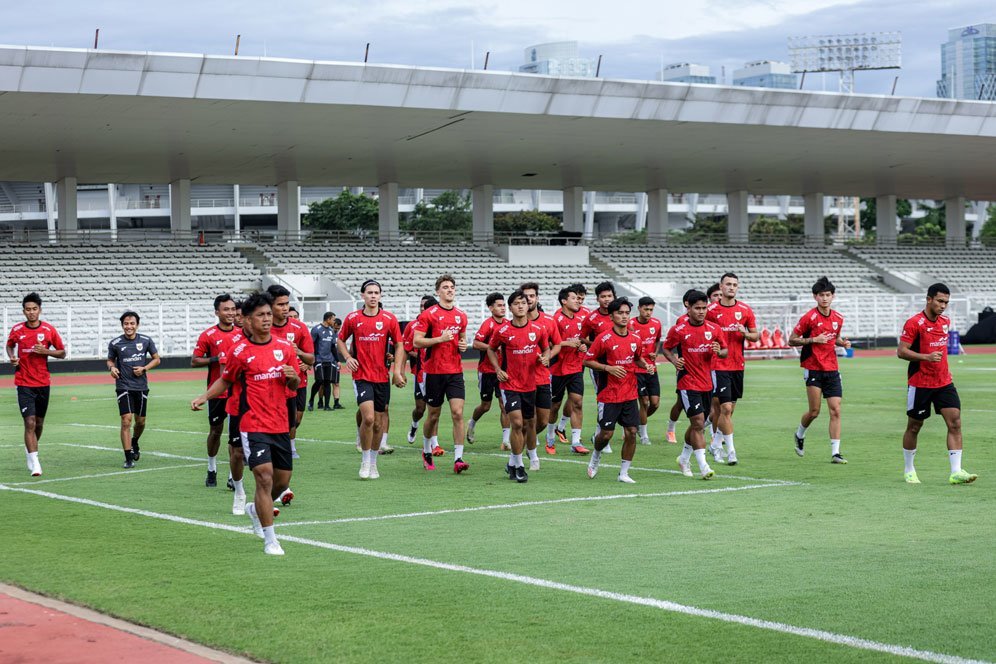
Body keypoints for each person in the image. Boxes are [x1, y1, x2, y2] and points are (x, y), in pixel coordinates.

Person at [192, 291, 300, 556]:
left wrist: (292, 376)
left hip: (279, 424)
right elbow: (226, 381)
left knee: (282, 482)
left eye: (267, 314)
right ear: (248, 321)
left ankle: (255, 508)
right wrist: (205, 396)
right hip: (252, 425)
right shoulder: (239, 352)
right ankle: (270, 539)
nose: (266, 319)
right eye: (260, 315)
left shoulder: (284, 348)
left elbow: (294, 384)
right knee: (264, 477)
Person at [897, 283, 977, 485]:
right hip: (920, 383)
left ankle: (956, 471)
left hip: (943, 381)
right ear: (929, 299)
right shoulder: (914, 323)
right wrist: (926, 357)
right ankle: (909, 470)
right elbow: (901, 351)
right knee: (914, 427)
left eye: (946, 302)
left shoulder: (945, 321)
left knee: (955, 422)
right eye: (940, 301)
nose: (943, 306)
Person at [337, 280, 406, 480]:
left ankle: (374, 462)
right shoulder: (353, 318)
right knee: (368, 419)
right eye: (370, 292)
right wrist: (348, 358)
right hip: (362, 376)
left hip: (382, 377)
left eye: (376, 292)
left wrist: (397, 371)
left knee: (378, 424)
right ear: (363, 296)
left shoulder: (389, 319)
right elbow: (340, 340)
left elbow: (399, 345)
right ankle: (365, 460)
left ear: (380, 296)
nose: (373, 296)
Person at [583, 298, 653, 483]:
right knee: (606, 434)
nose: (624, 316)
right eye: (620, 313)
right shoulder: (603, 338)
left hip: (630, 393)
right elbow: (587, 360)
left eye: (626, 313)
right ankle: (596, 456)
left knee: (631, 432)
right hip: (609, 394)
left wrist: (646, 365)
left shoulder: (635, 338)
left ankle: (624, 473)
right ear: (612, 316)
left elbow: (637, 358)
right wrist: (608, 368)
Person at [660, 290, 725, 480]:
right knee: (697, 423)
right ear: (688, 309)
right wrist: (674, 360)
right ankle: (704, 466)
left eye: (704, 308)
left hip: (707, 383)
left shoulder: (714, 329)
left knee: (699, 424)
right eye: (697, 308)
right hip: (687, 382)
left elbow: (725, 351)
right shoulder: (679, 330)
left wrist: (719, 351)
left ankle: (684, 457)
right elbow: (666, 348)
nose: (701, 311)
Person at [487, 289, 549, 483]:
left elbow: (546, 348)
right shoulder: (503, 331)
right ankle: (521, 465)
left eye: (524, 302)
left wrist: (544, 358)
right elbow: (490, 349)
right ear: (510, 308)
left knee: (530, 424)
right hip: (509, 384)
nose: (521, 306)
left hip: (530, 384)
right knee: (517, 423)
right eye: (516, 303)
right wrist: (498, 369)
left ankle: (512, 463)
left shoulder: (538, 330)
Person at [789, 276, 851, 464]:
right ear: (815, 297)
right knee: (814, 411)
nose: (825, 298)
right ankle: (800, 434)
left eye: (828, 295)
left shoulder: (838, 318)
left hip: (832, 369)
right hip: (813, 368)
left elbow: (834, 338)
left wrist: (843, 342)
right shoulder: (809, 318)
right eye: (821, 295)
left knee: (836, 410)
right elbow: (792, 339)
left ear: (833, 296)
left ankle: (835, 453)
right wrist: (812, 340)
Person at [413, 274, 470, 474]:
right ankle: (427, 450)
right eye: (445, 287)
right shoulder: (429, 314)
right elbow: (417, 342)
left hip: (455, 371)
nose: (449, 290)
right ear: (438, 291)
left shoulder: (461, 315)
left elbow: (462, 341)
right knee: (434, 415)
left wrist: (463, 345)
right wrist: (439, 338)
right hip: (434, 372)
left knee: (458, 412)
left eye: (452, 287)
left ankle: (458, 458)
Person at [6, 292, 65, 476]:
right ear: (23, 311)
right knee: (29, 422)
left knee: (39, 424)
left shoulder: (48, 330)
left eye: (34, 309)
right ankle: (35, 462)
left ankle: (30, 450)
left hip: (42, 382)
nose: (31, 312)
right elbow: (9, 345)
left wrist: (46, 351)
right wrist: (12, 357)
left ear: (39, 310)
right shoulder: (17, 330)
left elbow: (62, 353)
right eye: (28, 310)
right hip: (23, 382)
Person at [705, 273, 758, 465]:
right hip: (718, 364)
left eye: (735, 284)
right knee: (725, 408)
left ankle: (716, 445)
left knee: (729, 410)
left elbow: (755, 335)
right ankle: (732, 451)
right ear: (721, 286)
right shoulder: (710, 310)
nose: (731, 287)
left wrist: (745, 333)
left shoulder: (745, 310)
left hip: (738, 364)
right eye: (728, 284)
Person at [191, 294, 239, 487]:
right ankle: (211, 468)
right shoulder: (208, 335)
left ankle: (231, 476)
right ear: (217, 312)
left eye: (233, 309)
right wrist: (215, 359)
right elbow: (195, 360)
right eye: (226, 309)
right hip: (217, 392)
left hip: (237, 392)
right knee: (216, 431)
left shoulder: (242, 334)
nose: (231, 313)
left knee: (235, 436)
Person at [267, 285, 315, 462]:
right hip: (267, 387)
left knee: (293, 421)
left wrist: (299, 353)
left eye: (287, 304)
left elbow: (311, 358)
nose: (285, 308)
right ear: (270, 305)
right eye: (280, 304)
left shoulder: (299, 328)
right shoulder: (262, 327)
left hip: (294, 385)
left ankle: (288, 447)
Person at [107, 311, 161, 468]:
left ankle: (135, 441)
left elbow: (157, 359)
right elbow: (110, 360)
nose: (129, 326)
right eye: (126, 324)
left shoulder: (145, 340)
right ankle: (128, 457)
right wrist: (112, 368)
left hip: (141, 386)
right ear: (122, 325)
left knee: (141, 422)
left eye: (132, 323)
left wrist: (144, 368)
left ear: (137, 325)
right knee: (126, 420)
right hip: (123, 386)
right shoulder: (115, 343)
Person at [521, 282, 562, 469]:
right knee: (525, 421)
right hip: (521, 380)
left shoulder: (548, 321)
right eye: (525, 296)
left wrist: (547, 358)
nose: (528, 299)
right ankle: (525, 456)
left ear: (537, 298)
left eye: (531, 296)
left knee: (543, 420)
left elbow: (558, 345)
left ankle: (522, 444)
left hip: (543, 378)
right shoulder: (515, 322)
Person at [467, 293, 511, 449]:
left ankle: (506, 440)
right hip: (486, 370)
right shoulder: (488, 324)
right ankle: (472, 423)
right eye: (499, 305)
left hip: (503, 371)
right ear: (491, 308)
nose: (502, 308)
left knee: (504, 405)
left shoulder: (508, 324)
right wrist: (492, 347)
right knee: (485, 406)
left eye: (504, 305)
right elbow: (476, 343)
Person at [550, 286, 590, 454]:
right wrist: (568, 343)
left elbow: (583, 339)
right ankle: (550, 438)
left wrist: (582, 345)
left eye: (579, 298)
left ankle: (576, 442)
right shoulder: (556, 319)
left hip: (575, 367)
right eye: (574, 298)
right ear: (564, 301)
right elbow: (550, 343)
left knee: (577, 402)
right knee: (554, 405)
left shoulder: (581, 317)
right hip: (558, 368)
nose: (578, 301)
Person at [582, 281, 617, 450]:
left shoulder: (619, 314)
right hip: (599, 366)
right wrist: (597, 345)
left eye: (609, 296)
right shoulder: (591, 318)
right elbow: (582, 338)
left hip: (619, 365)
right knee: (603, 399)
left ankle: (601, 433)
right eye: (603, 296)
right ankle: (602, 434)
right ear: (597, 299)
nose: (606, 299)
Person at [664, 289, 699, 444]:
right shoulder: (681, 321)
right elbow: (675, 343)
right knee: (680, 403)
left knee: (712, 403)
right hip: (686, 369)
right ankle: (671, 429)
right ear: (687, 304)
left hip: (704, 369)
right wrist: (675, 361)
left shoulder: (707, 320)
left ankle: (711, 433)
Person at [629, 296, 663, 446]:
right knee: (644, 401)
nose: (648, 312)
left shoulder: (656, 324)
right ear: (639, 308)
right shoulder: (630, 324)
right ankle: (643, 435)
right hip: (637, 368)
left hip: (651, 368)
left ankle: (635, 423)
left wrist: (655, 353)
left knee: (654, 403)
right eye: (646, 309)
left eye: (651, 309)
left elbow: (657, 340)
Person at [309, 312, 339, 411]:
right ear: (328, 319)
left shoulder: (331, 331)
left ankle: (326, 406)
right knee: (319, 381)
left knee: (327, 382)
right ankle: (311, 400)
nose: (334, 322)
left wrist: (337, 360)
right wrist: (311, 358)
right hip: (319, 359)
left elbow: (333, 347)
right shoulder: (316, 329)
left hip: (329, 360)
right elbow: (310, 345)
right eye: (333, 319)